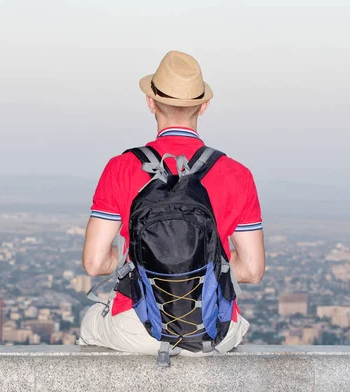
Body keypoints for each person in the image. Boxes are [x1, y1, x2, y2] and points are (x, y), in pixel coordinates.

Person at [78, 51, 266, 356]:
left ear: (150, 102)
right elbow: (254, 270)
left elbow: (95, 262)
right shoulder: (237, 174)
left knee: (90, 324)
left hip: (138, 327)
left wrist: (140, 260)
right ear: (203, 106)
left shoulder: (121, 168)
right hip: (214, 331)